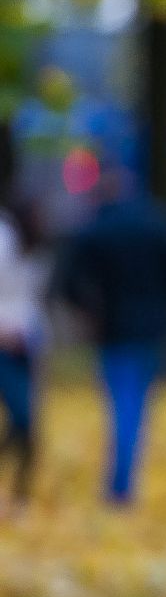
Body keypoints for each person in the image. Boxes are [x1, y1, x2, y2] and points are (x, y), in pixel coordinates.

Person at [52, 165, 166, 507]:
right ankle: (123, 483)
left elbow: (66, 282)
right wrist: (161, 300)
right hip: (150, 329)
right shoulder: (154, 224)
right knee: (137, 405)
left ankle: (120, 484)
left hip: (112, 330)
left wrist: (89, 310)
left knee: (121, 404)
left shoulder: (94, 231)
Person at [0, 197, 51, 514]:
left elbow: (34, 300)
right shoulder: (4, 239)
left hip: (29, 340)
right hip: (6, 342)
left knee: (29, 422)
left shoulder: (34, 246)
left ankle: (21, 494)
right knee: (23, 417)